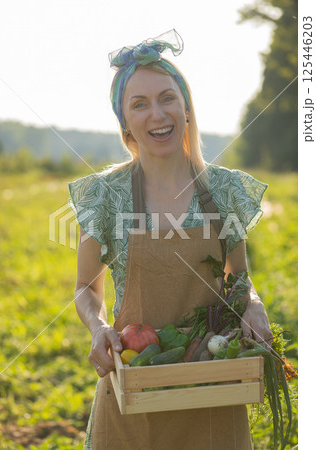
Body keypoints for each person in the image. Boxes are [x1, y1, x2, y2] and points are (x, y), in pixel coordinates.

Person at [69, 29, 273, 450]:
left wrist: (252, 304)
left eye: (166, 98)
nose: (156, 115)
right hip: (133, 391)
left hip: (214, 389)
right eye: (139, 104)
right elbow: (86, 288)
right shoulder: (106, 195)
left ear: (185, 108)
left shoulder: (223, 191)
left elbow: (239, 277)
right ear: (124, 120)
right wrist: (98, 326)